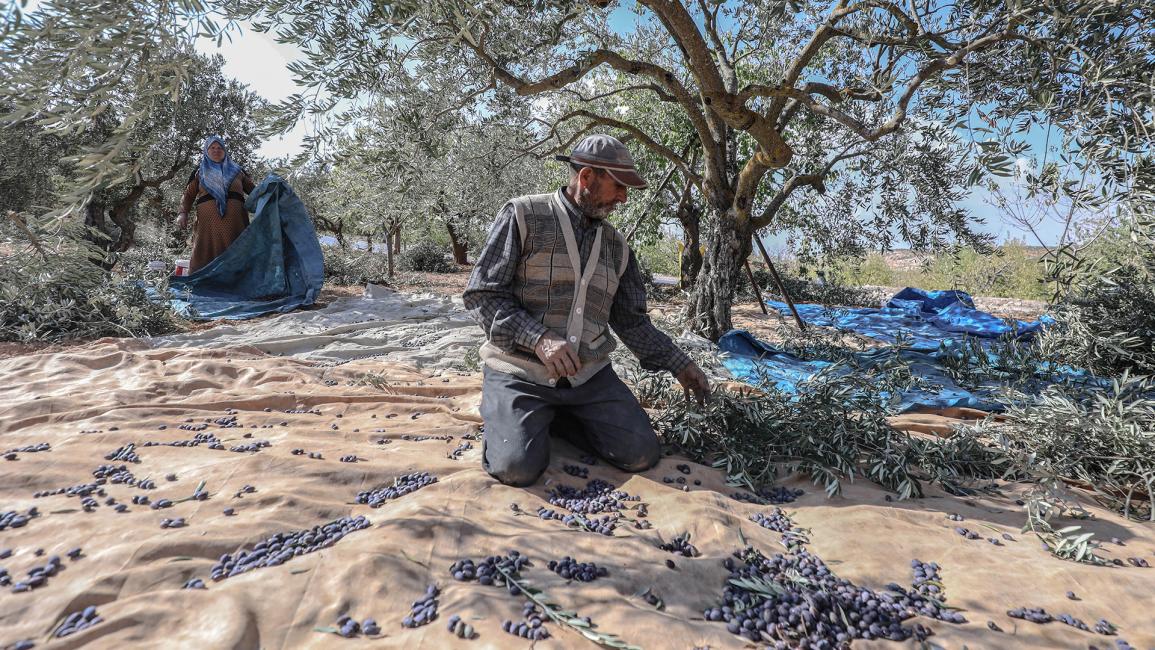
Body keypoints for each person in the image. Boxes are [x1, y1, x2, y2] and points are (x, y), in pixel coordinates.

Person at [464, 134, 711, 487]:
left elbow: (632, 322)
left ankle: (555, 418)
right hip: (521, 372)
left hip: (587, 379)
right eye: (619, 186)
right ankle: (516, 414)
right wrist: (538, 339)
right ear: (586, 178)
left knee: (641, 454)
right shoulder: (522, 215)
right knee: (516, 468)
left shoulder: (617, 247)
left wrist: (680, 364)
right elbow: (482, 296)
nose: (624, 197)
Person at [177, 135, 256, 272]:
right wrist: (183, 213)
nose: (216, 150)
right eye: (212, 147)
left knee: (237, 250)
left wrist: (271, 193)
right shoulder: (199, 171)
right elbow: (188, 195)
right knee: (204, 252)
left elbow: (255, 192)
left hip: (236, 223)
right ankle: (201, 284)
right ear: (206, 151)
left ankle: (239, 284)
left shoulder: (238, 171)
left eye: (220, 147)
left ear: (225, 150)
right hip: (207, 225)